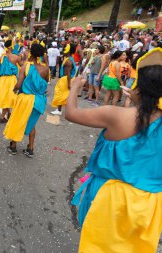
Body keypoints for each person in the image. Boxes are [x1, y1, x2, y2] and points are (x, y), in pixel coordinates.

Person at [67, 48, 162, 253]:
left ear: (138, 87)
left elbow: (71, 113)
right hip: (148, 204)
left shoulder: (116, 115)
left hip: (109, 199)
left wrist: (75, 87)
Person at [4, 43, 49, 158]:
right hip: (38, 101)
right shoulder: (45, 69)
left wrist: (14, 89)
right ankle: (30, 148)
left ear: (30, 52)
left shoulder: (25, 67)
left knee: (18, 121)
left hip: (25, 99)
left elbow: (18, 85)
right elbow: (45, 86)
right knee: (32, 124)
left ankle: (13, 146)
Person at [0, 40, 22, 123]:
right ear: (11, 47)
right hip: (12, 79)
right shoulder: (16, 57)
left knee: (5, 97)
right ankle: (3, 116)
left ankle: (7, 114)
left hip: (3, 80)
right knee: (8, 97)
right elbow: (23, 66)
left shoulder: (1, 57)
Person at [51, 44, 77, 115]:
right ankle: (62, 109)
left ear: (68, 52)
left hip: (66, 79)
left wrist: (69, 84)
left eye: (65, 50)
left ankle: (59, 110)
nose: (64, 51)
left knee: (61, 94)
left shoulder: (68, 61)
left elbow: (68, 73)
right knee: (65, 95)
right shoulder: (69, 58)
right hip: (66, 79)